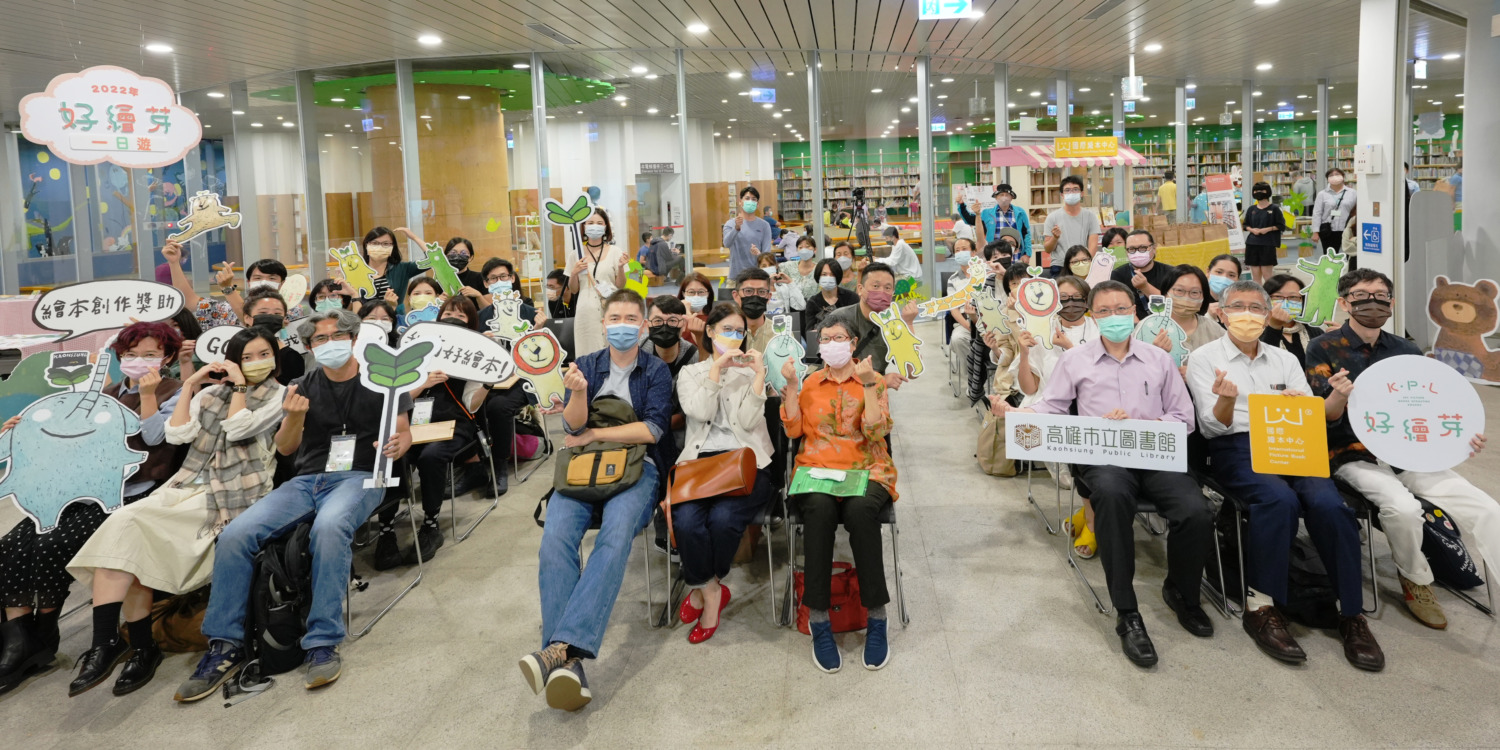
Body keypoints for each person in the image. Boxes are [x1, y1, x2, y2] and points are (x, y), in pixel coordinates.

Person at [173, 308, 411, 701]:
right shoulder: (300, 386)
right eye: (319, 339)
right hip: (306, 480)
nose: (329, 343)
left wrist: (403, 442)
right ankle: (225, 644)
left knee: (330, 528)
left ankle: (322, 640)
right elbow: (286, 447)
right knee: (235, 534)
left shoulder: (386, 379)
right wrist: (295, 418)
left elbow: (402, 433)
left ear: (353, 339)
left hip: (363, 476)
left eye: (337, 336)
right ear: (309, 346)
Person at [1000, 280, 1211, 667]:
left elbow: (1184, 419)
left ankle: (1182, 592)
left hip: (1153, 453)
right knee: (1113, 499)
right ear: (1093, 317)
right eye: (1104, 311)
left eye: (1121, 309)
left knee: (1195, 511)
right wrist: (1017, 415)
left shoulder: (1158, 359)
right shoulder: (1075, 359)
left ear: (1135, 312)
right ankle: (1127, 612)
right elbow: (1053, 407)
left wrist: (1141, 425)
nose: (1113, 317)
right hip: (1102, 458)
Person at [67, 328, 285, 698]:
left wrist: (239, 388)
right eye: (245, 357)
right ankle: (109, 643)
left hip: (239, 490)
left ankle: (136, 646)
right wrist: (191, 385)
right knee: (123, 527)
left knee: (134, 534)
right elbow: (177, 435)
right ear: (231, 359)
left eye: (262, 354)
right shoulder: (209, 393)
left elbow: (237, 427)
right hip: (187, 484)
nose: (254, 363)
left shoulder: (280, 395)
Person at [1190, 280, 1381, 671]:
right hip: (1238, 447)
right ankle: (1261, 605)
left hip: (1293, 440)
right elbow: (1212, 427)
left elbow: (1314, 415)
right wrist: (1227, 398)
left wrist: (1315, 403)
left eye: (1256, 308)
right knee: (1277, 499)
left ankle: (1351, 612)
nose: (1248, 314)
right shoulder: (1205, 358)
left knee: (1330, 504)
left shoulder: (1284, 359)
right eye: (1238, 306)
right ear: (1222, 314)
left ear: (1267, 314)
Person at [1308, 268, 1499, 633]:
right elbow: (1321, 416)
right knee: (1402, 507)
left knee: (1486, 507)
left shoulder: (1406, 350)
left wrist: (1461, 436)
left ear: (1392, 304)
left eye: (1381, 296)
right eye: (1363, 295)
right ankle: (1416, 580)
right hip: (1353, 453)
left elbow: (1429, 406)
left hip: (1410, 452)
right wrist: (1338, 396)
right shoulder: (1323, 347)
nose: (1373, 303)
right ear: (1346, 302)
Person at [0, 322, 186, 695]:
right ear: (119, 356)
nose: (138, 361)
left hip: (135, 491)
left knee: (53, 545)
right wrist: (22, 429)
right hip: (81, 490)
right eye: (131, 354)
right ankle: (23, 636)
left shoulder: (176, 392)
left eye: (149, 354)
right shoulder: (106, 392)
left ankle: (43, 629)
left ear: (166, 357)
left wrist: (148, 396)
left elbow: (156, 438)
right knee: (13, 544)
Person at [519, 289, 671, 712]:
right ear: (603, 325)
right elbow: (572, 428)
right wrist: (580, 395)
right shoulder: (584, 366)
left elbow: (653, 430)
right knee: (555, 541)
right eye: (614, 317)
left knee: (615, 535)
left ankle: (557, 650)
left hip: (638, 469)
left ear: (642, 326)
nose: (622, 325)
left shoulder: (655, 370)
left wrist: (595, 435)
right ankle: (569, 662)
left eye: (630, 318)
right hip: (581, 467)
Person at [781, 319, 898, 672]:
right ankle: (819, 620)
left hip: (866, 467)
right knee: (817, 511)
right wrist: (789, 386)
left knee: (862, 514)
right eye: (825, 338)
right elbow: (795, 428)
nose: (831, 344)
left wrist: (866, 386)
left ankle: (877, 618)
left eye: (839, 338)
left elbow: (876, 432)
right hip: (817, 468)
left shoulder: (873, 380)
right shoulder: (811, 382)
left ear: (853, 342)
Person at [671, 303, 775, 644]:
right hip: (700, 464)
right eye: (726, 330)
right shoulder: (691, 373)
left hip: (748, 463)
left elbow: (746, 422)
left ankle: (704, 593)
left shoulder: (750, 373)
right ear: (710, 332)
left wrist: (759, 377)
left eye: (739, 331)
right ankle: (712, 588)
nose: (733, 336)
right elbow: (699, 412)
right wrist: (715, 370)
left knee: (723, 519)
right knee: (685, 521)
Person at [1010, 275, 1097, 519]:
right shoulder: (1039, 331)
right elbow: (1029, 389)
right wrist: (1024, 354)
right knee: (1073, 478)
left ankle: (1090, 515)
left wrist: (1070, 348)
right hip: (1052, 414)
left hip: (1093, 412)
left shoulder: (1099, 330)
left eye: (1077, 298)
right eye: (1064, 299)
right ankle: (1092, 512)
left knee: (1094, 472)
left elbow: (1101, 381)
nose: (1071, 304)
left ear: (1087, 300)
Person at [817, 263, 918, 389]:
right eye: (875, 286)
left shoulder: (894, 326)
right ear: (860, 289)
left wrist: (908, 324)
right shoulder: (839, 318)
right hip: (841, 392)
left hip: (875, 395)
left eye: (887, 288)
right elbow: (829, 371)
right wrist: (880, 381)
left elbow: (912, 371)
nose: (881, 292)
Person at [643, 295, 702, 458]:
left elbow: (691, 412)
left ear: (683, 325)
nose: (664, 326)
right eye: (657, 321)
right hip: (642, 426)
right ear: (648, 325)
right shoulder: (638, 352)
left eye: (672, 321)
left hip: (680, 428)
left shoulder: (693, 356)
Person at [568, 208, 628, 357]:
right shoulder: (576, 254)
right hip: (585, 310)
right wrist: (574, 272)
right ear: (584, 227)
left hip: (611, 307)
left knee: (612, 348)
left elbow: (620, 285)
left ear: (606, 226)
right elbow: (574, 289)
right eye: (591, 223)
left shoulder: (615, 251)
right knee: (587, 350)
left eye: (599, 223)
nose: (595, 226)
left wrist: (620, 268)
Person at [241, 288, 306, 386]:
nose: (270, 317)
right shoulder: (237, 349)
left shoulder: (291, 357)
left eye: (277, 314)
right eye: (263, 313)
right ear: (247, 318)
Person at [1110, 229, 1176, 318]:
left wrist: (1145, 287)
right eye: (1132, 249)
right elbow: (1118, 308)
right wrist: (1138, 328)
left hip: (1166, 323)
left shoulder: (1171, 273)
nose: (1137, 252)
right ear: (1126, 252)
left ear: (1154, 249)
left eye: (1143, 248)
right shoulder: (1117, 275)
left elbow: (1174, 306)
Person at [1162, 265, 1226, 354]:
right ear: (1165, 292)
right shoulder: (1148, 327)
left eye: (1194, 292)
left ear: (1204, 296)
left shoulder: (1214, 329)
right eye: (1179, 290)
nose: (1186, 297)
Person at [1042, 176, 1099, 273]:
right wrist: (1055, 237)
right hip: (1060, 266)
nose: (1071, 193)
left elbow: (1093, 246)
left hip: (1083, 266)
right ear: (1062, 195)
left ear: (1082, 193)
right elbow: (1047, 249)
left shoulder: (1091, 216)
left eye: (1075, 189)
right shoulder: (1052, 217)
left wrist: (1086, 264)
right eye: (1067, 190)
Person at [476, 258, 544, 333]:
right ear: (486, 283)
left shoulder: (532, 314)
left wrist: (538, 328)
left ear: (512, 278)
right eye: (493, 278)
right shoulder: (479, 317)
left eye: (503, 276)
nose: (499, 281)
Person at [1260, 274, 1314, 367]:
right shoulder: (1254, 331)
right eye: (1278, 296)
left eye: (1293, 297)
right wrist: (1274, 327)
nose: (1286, 302)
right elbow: (1261, 362)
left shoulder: (1313, 331)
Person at [960, 184, 1030, 251]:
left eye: (1007, 195)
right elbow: (970, 220)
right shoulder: (987, 213)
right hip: (993, 253)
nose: (1004, 198)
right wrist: (962, 205)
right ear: (996, 197)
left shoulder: (1020, 212)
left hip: (1016, 253)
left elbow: (1026, 233)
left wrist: (1027, 254)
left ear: (1011, 198)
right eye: (1001, 195)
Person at [803, 258, 858, 343]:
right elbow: (809, 333)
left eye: (832, 274)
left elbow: (857, 327)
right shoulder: (812, 302)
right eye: (824, 274)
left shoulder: (851, 297)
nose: (828, 278)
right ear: (818, 276)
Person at [1241, 182, 1286, 285]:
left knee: (1267, 275)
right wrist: (1253, 230)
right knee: (1255, 276)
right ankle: (1259, 297)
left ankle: (1271, 296)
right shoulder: (1251, 209)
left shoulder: (1274, 208)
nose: (1258, 193)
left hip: (1267, 244)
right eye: (1256, 191)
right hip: (1252, 244)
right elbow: (1245, 225)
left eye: (1261, 190)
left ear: (1267, 192)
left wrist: (1267, 229)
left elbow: (1281, 225)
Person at [723, 186, 773, 278]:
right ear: (740, 202)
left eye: (754, 199)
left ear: (757, 204)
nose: (750, 201)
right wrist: (736, 228)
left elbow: (767, 254)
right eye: (747, 198)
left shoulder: (764, 225)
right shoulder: (730, 223)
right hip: (736, 276)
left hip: (758, 276)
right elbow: (726, 243)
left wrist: (759, 254)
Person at [367, 227, 424, 306]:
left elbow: (433, 260)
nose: (380, 247)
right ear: (366, 244)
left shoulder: (402, 269)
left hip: (394, 317)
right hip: (362, 317)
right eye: (375, 243)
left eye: (386, 244)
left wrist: (414, 237)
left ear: (392, 247)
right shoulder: (355, 269)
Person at [732, 268, 784, 353]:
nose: (755, 296)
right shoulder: (726, 332)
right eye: (748, 291)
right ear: (736, 296)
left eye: (762, 291)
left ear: (769, 297)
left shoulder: (781, 333)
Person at [1312, 168, 1355, 253]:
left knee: (1350, 254)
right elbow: (1317, 213)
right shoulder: (1322, 194)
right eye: (1331, 175)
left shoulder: (1352, 193)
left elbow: (1356, 211)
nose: (1334, 177)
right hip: (1328, 230)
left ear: (1343, 176)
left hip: (1347, 229)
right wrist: (1315, 232)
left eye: (1337, 174)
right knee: (1330, 256)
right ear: (1327, 179)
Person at [757, 252, 807, 318]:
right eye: (764, 266)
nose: (768, 268)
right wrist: (768, 285)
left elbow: (801, 306)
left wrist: (790, 283)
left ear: (776, 266)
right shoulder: (755, 288)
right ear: (759, 268)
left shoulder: (784, 286)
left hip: (784, 323)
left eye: (771, 265)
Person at [677, 272, 716, 349]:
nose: (696, 296)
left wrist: (689, 316)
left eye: (701, 292)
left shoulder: (714, 319)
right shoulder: (676, 318)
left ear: (708, 294)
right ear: (684, 294)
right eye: (691, 292)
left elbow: (708, 348)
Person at [779, 235, 822, 301]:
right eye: (800, 247)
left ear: (815, 249)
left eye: (808, 247)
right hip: (792, 308)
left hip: (814, 307)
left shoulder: (820, 269)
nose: (804, 250)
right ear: (797, 250)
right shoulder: (787, 267)